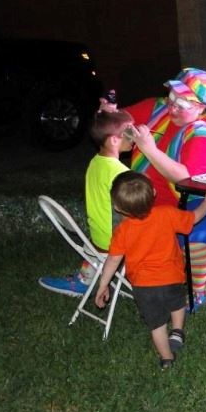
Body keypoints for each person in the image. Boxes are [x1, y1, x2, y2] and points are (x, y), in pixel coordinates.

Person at [103, 68, 206, 309]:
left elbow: (186, 180)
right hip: (148, 198)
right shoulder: (158, 108)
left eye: (181, 104)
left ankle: (196, 291)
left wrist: (149, 149)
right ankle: (90, 275)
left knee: (195, 231)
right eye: (171, 98)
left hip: (203, 198)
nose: (172, 108)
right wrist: (109, 114)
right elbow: (119, 121)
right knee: (109, 217)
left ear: (201, 107)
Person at [95, 171, 206, 369]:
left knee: (157, 326)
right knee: (177, 304)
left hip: (143, 287)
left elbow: (113, 260)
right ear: (153, 192)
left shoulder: (122, 231)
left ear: (117, 207)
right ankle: (177, 330)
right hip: (172, 278)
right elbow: (194, 217)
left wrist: (103, 284)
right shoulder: (167, 213)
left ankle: (167, 359)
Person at [39, 110, 134, 296]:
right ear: (114, 140)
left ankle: (86, 278)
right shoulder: (121, 173)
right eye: (130, 132)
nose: (134, 136)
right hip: (114, 242)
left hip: (97, 237)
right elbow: (131, 213)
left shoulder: (95, 162)